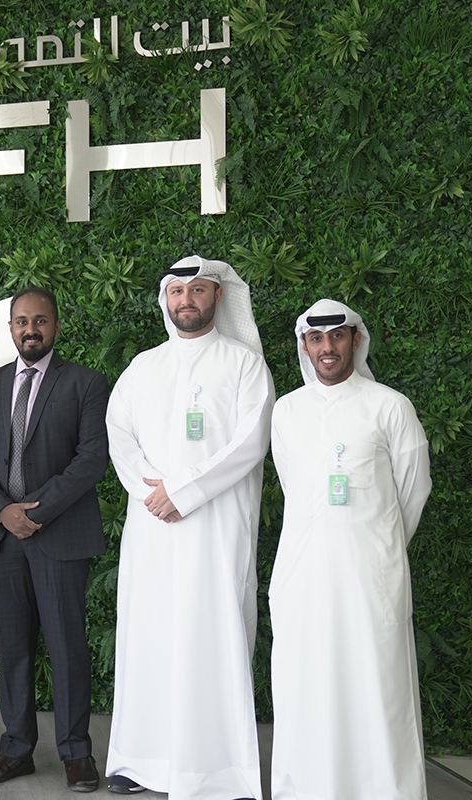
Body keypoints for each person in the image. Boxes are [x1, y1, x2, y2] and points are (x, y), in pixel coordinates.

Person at [104, 256, 274, 799]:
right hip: (152, 529)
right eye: (177, 291)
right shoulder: (143, 367)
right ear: (166, 300)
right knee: (149, 636)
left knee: (213, 637)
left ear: (218, 297)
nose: (186, 300)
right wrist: (153, 493)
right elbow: (119, 436)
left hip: (216, 531)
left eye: (197, 290)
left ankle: (221, 773)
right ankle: (141, 762)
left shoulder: (244, 364)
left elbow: (251, 442)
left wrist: (184, 492)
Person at [268, 299, 432, 800]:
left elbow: (413, 490)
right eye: (316, 339)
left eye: (337, 336)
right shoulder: (287, 410)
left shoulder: (390, 406)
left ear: (355, 341)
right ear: (304, 346)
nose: (327, 348)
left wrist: (378, 546)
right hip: (303, 573)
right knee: (307, 681)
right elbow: (293, 487)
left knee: (377, 685)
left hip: (370, 575)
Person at [0, 286, 109, 793]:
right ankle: (16, 748)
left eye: (40, 321)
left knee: (67, 646)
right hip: (1, 539)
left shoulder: (86, 383)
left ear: (56, 326)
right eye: (22, 321)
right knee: (14, 648)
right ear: (10, 328)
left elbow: (91, 458)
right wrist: (4, 511)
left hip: (59, 536)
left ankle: (76, 753)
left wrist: (36, 513)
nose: (31, 329)